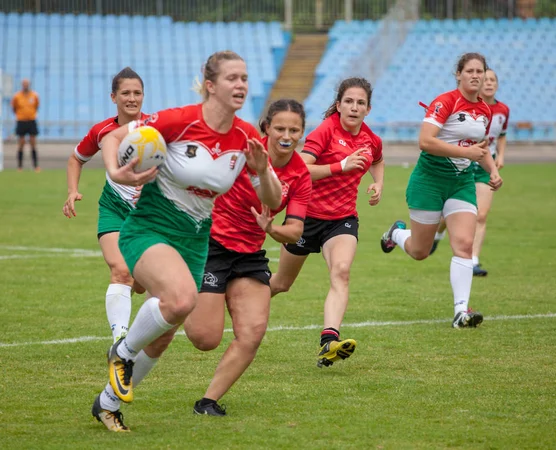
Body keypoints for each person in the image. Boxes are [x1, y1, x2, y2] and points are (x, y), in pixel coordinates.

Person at [89, 50, 282, 432]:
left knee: (163, 336)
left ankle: (107, 404)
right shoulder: (179, 120)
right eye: (232, 78)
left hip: (195, 241)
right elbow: (112, 136)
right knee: (180, 299)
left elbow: (273, 201)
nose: (241, 84)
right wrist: (117, 172)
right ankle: (122, 353)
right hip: (150, 228)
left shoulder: (246, 136)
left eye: (244, 78)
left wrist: (263, 171)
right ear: (210, 85)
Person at [184, 99, 312, 416]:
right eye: (280, 127)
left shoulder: (300, 174)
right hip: (212, 245)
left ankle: (207, 402)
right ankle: (172, 291)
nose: (286, 135)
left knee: (253, 332)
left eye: (293, 129)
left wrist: (272, 229)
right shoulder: (243, 151)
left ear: (301, 133)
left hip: (250, 254)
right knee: (205, 338)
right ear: (266, 127)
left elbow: (295, 231)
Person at [380, 53, 503, 329]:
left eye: (480, 71)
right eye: (469, 70)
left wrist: (492, 170)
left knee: (464, 245)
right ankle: (396, 234)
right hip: (429, 181)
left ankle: (461, 312)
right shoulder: (445, 102)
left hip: (461, 182)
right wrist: (466, 151)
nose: (475, 75)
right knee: (420, 251)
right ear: (458, 74)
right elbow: (425, 141)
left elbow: (479, 148)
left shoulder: (485, 110)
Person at [270, 77, 385, 368]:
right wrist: (340, 166)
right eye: (349, 101)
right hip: (305, 217)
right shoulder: (325, 131)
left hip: (342, 219)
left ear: (368, 109)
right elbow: (300, 171)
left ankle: (329, 341)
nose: (354, 107)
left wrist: (378, 183)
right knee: (281, 284)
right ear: (338, 104)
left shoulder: (371, 138)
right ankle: (231, 298)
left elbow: (377, 158)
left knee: (342, 272)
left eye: (360, 103)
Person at [63, 67, 147, 345]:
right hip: (113, 209)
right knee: (121, 271)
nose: (132, 98)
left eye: (137, 93)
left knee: (142, 281)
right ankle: (120, 340)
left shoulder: (157, 128)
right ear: (114, 97)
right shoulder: (102, 131)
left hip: (150, 214)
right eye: (125, 93)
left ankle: (139, 283)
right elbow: (76, 159)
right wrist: (73, 191)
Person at [429, 69, 509, 277]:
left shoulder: (502, 110)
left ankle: (473, 260)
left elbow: (501, 135)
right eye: (486, 79)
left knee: (481, 215)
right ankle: (437, 234)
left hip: (483, 165)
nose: (489, 83)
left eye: (493, 79)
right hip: (461, 164)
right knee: (451, 213)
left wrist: (499, 158)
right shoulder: (470, 108)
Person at [11, 79, 40, 171]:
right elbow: (14, 108)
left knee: (33, 143)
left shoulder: (34, 95)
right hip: (21, 121)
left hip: (31, 120)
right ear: (22, 85)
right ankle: (20, 166)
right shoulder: (17, 96)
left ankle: (36, 166)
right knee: (21, 143)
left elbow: (36, 106)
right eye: (24, 84)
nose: (25, 85)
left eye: (27, 84)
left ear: (29, 85)